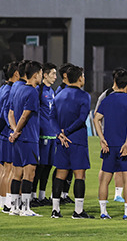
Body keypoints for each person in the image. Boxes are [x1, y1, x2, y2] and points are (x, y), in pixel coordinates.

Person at [93, 69, 127, 220]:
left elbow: (96, 119)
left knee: (105, 180)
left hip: (109, 145)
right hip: (124, 146)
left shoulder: (107, 99)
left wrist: (101, 138)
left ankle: (103, 212)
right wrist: (126, 142)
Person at [50, 65, 94, 219]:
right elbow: (82, 119)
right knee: (79, 175)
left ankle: (55, 210)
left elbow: (52, 117)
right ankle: (78, 211)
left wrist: (59, 133)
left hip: (61, 141)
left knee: (60, 174)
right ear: (80, 78)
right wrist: (67, 132)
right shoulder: (84, 96)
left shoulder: (59, 95)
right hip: (76, 140)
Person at [8, 60, 43, 216]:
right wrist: (18, 131)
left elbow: (10, 113)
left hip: (18, 139)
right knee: (30, 173)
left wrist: (15, 131)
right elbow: (25, 115)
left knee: (17, 173)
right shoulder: (33, 92)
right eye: (41, 74)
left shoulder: (17, 90)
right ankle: (26, 208)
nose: (41, 76)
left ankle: (14, 208)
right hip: (29, 137)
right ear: (35, 75)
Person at [95, 68, 127, 203]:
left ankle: (118, 194)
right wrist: (102, 136)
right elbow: (97, 115)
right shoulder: (106, 94)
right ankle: (102, 191)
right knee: (106, 166)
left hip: (122, 135)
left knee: (120, 166)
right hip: (108, 137)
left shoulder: (125, 94)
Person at [31, 62, 57, 208]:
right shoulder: (38, 90)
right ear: (45, 75)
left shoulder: (51, 91)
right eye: (52, 73)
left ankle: (42, 196)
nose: (55, 76)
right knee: (39, 166)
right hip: (42, 134)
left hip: (52, 133)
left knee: (48, 166)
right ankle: (33, 196)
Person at [54, 62, 75, 204]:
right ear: (66, 75)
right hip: (63, 134)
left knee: (72, 167)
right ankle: (56, 195)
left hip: (71, 133)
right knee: (62, 167)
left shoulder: (72, 89)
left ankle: (64, 194)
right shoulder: (60, 92)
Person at [0, 61, 19, 213]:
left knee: (4, 170)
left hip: (4, 133)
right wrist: (14, 128)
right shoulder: (9, 91)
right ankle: (7, 203)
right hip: (8, 134)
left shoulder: (3, 88)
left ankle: (3, 202)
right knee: (10, 170)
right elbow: (6, 113)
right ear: (16, 74)